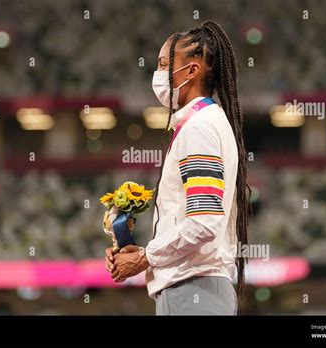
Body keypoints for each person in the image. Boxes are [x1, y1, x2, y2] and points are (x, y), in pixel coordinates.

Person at [105, 20, 250, 315]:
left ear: (192, 70)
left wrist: (146, 257)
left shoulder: (199, 127)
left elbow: (204, 222)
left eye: (163, 64)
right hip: (196, 288)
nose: (158, 75)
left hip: (193, 290)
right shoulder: (204, 123)